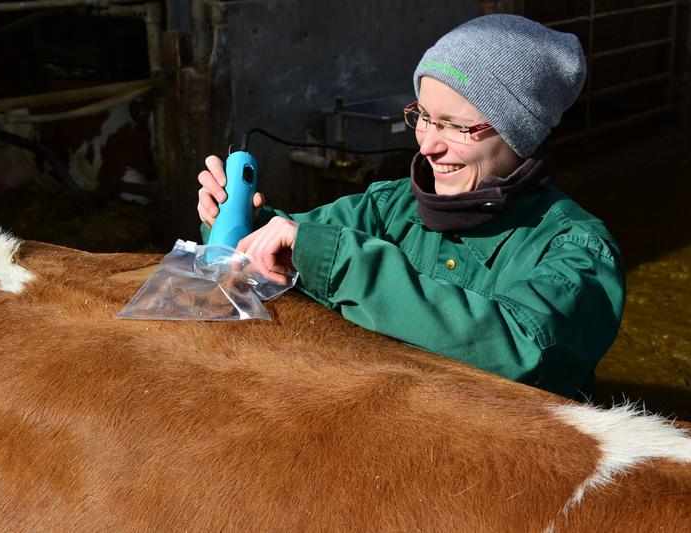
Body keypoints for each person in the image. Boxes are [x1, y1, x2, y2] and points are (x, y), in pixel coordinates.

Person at [196, 14, 626, 400]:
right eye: (423, 116)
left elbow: (524, 348)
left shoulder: (577, 249)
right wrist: (235, 223)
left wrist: (345, 263)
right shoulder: (388, 207)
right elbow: (297, 241)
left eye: (456, 126)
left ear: (522, 133)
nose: (429, 144)